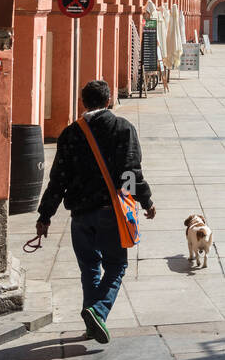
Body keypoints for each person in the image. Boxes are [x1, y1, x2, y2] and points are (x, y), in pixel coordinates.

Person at [35, 80, 156, 344]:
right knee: (117, 264)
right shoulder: (123, 128)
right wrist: (145, 201)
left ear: (83, 103)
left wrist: (45, 216)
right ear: (109, 101)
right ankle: (98, 311)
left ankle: (93, 325)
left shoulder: (69, 134)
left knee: (89, 268)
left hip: (80, 216)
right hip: (110, 212)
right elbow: (130, 173)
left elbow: (58, 180)